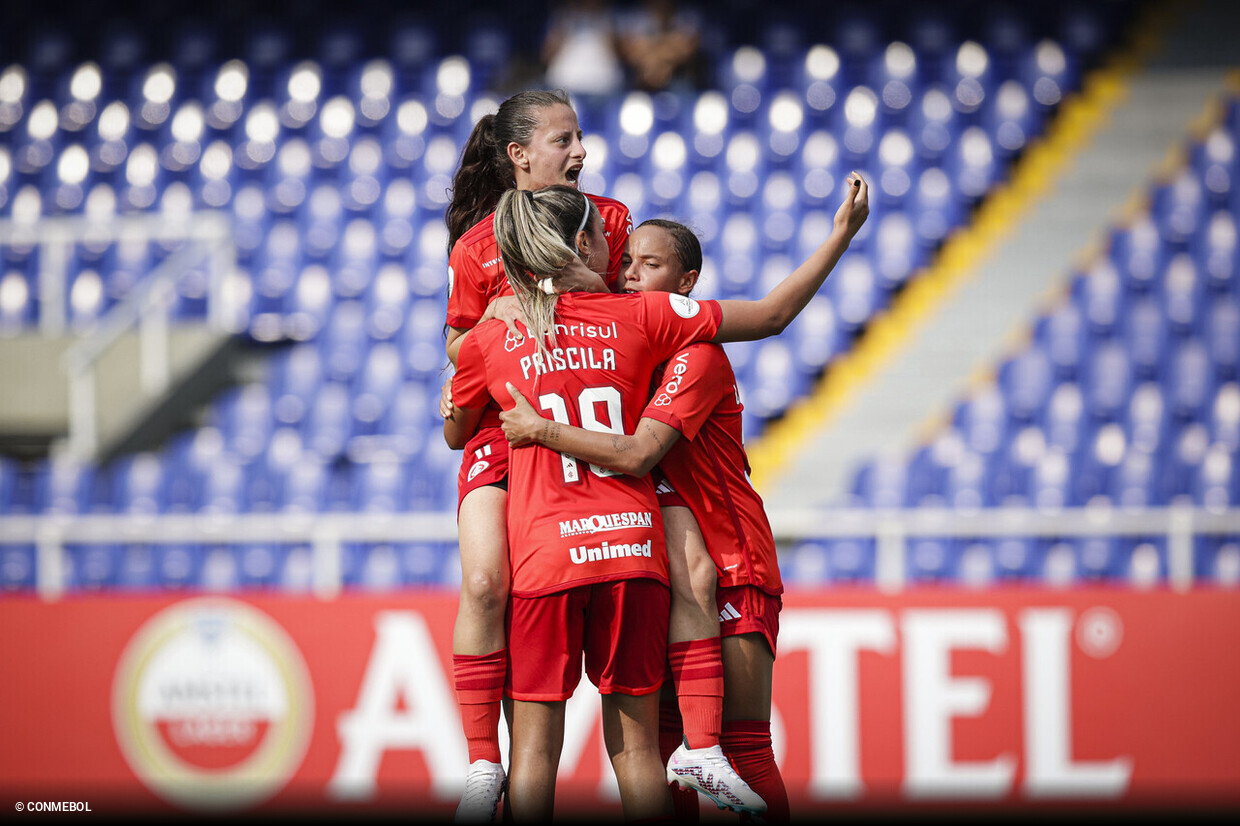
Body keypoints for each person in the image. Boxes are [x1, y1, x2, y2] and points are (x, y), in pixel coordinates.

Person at [446, 177, 867, 821]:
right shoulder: (641, 323)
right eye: (624, 257)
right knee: (650, 747)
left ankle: (485, 761)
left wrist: (492, 395)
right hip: (641, 559)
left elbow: (464, 429)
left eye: (650, 264)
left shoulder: (508, 339)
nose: (629, 269)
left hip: (634, 562)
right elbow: (767, 318)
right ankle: (696, 748)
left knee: (561, 755)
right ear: (584, 247)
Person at [442, 88, 632, 823]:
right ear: (519, 156)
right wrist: (490, 326)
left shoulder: (608, 221)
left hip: (591, 431)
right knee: (487, 584)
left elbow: (634, 312)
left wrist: (589, 287)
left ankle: (698, 739)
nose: (580, 152)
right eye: (564, 140)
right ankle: (484, 762)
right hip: (506, 430)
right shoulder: (474, 246)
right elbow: (459, 345)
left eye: (579, 137)